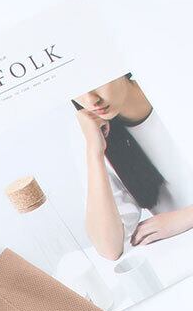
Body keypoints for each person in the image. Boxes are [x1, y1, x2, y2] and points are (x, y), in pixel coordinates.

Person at [74, 74, 193, 259]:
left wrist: (185, 217)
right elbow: (109, 249)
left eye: (95, 82)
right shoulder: (96, 137)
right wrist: (94, 152)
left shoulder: (180, 88)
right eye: (76, 92)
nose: (91, 100)